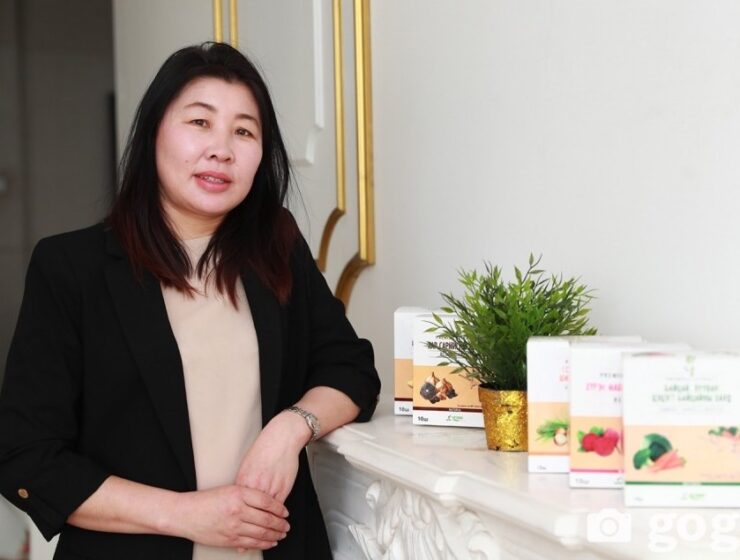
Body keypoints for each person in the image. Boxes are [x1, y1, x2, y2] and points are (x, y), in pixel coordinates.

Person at [0, 42, 380, 560]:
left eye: (244, 131)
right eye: (200, 122)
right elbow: (26, 455)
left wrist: (290, 428)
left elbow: (351, 367)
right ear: (154, 131)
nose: (221, 149)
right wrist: (187, 515)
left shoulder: (277, 246)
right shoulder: (72, 268)